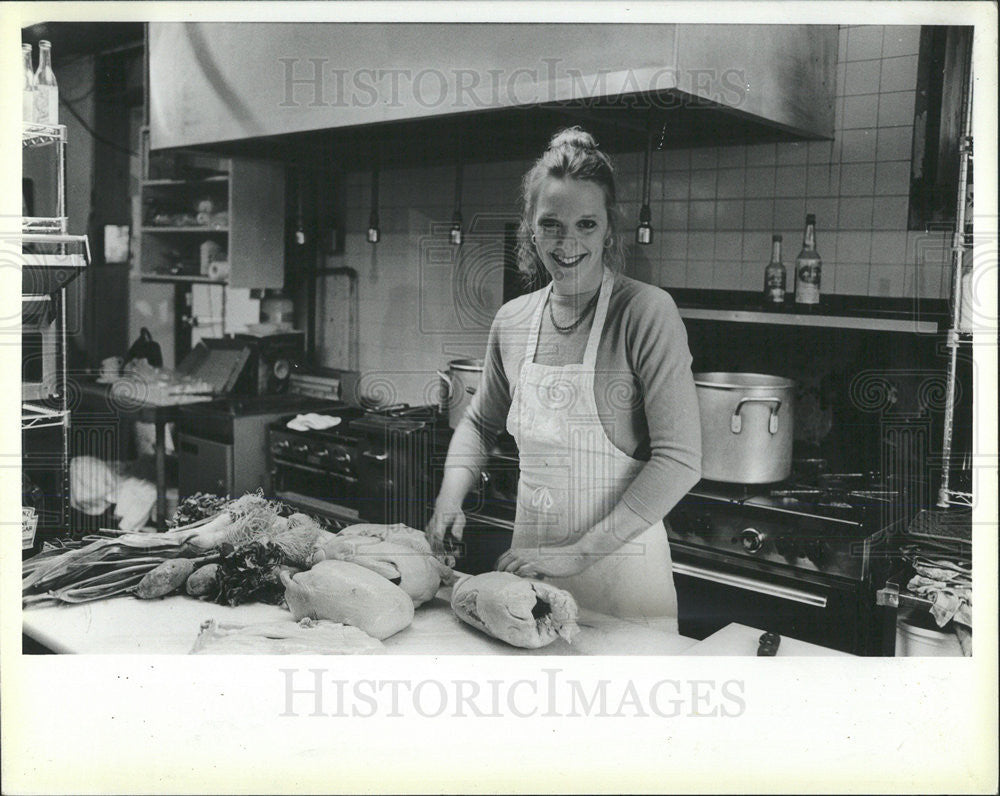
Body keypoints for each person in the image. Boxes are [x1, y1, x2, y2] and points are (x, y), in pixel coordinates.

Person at [427, 127, 701, 633]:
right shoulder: (512, 320)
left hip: (624, 591)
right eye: (551, 225)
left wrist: (577, 554)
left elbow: (680, 460)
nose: (568, 242)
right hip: (529, 584)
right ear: (530, 228)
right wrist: (449, 499)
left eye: (586, 224)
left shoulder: (644, 313)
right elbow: (478, 424)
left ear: (608, 230)